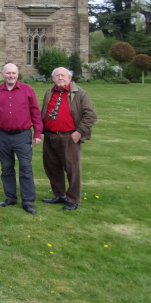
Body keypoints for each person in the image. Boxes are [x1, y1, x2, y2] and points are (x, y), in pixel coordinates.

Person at [0, 63, 43, 215]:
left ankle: (28, 202)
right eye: (8, 73)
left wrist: (37, 133)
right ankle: (10, 197)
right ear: (2, 74)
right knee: (6, 168)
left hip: (22, 136)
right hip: (3, 136)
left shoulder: (27, 90)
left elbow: (35, 112)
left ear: (18, 74)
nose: (11, 76)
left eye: (13, 73)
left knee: (25, 168)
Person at [40, 67, 98, 211]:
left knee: (72, 169)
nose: (60, 78)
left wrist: (79, 132)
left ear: (69, 78)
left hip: (69, 137)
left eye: (63, 75)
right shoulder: (49, 92)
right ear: (53, 78)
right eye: (57, 75)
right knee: (52, 167)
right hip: (50, 135)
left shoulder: (80, 93)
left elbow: (91, 115)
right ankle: (59, 195)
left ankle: (73, 199)